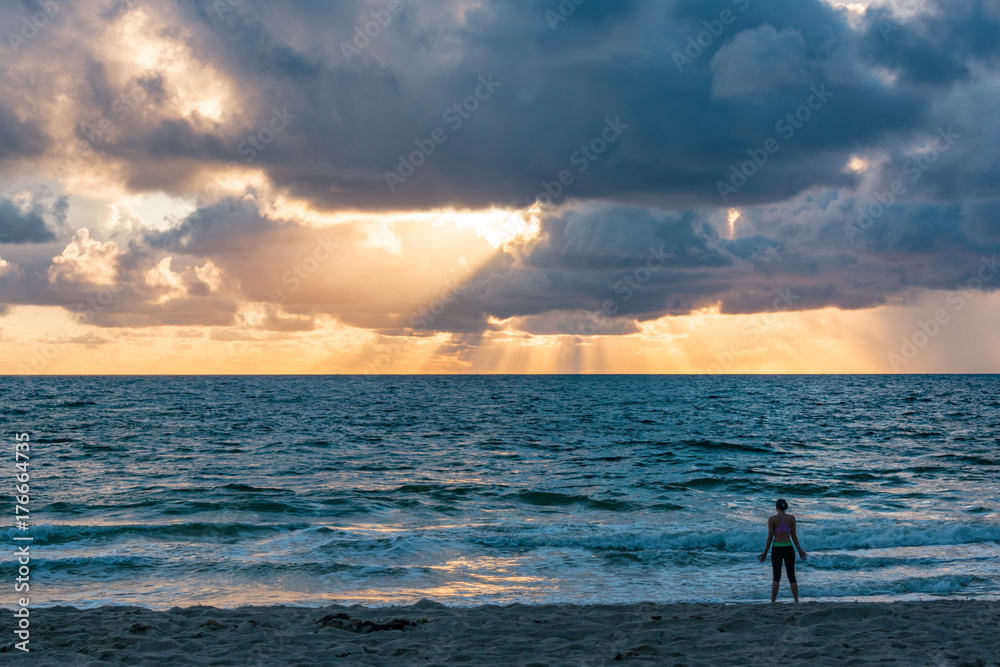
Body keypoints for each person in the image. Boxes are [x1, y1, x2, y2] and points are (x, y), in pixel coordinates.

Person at [758, 498, 807, 602]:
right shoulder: (792, 518)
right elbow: (794, 536)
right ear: (785, 508)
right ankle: (796, 600)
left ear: (776, 508)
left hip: (777, 549)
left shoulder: (772, 519)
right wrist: (800, 550)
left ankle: (773, 601)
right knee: (791, 576)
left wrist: (765, 552)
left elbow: (770, 537)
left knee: (776, 577)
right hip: (789, 548)